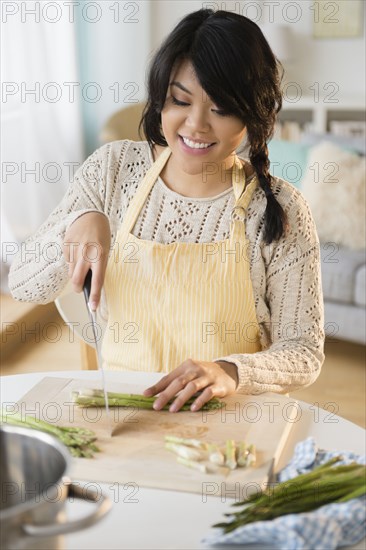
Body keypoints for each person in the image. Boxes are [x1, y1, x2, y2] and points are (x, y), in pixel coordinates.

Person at [8, 9, 325, 412]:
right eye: (180, 100)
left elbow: (303, 351)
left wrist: (229, 371)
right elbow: (22, 285)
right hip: (123, 414)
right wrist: (76, 222)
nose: (195, 125)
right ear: (161, 98)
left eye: (221, 108)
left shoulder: (280, 209)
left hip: (224, 425)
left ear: (252, 113)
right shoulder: (113, 170)